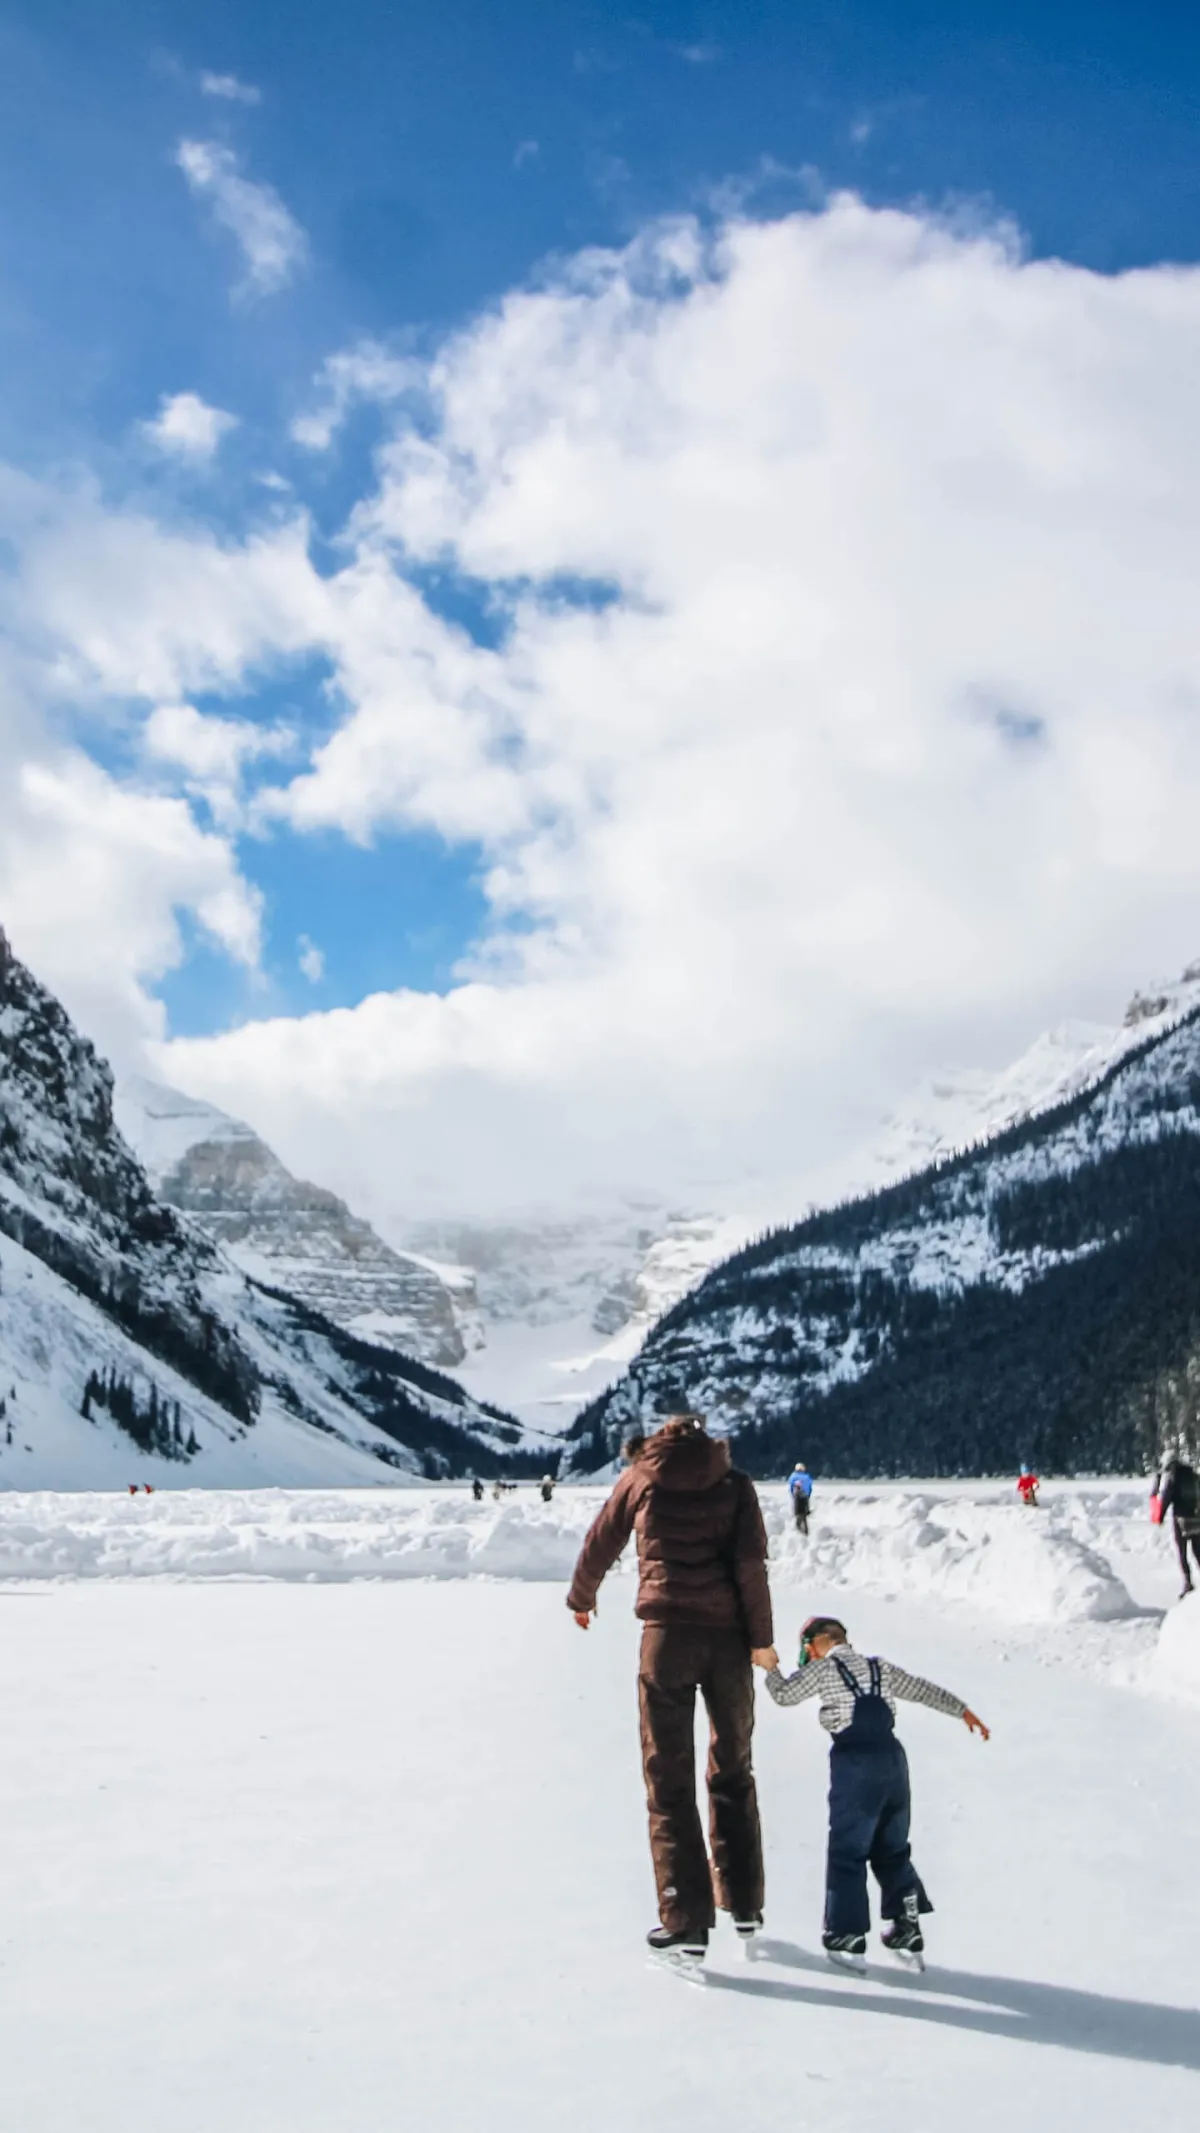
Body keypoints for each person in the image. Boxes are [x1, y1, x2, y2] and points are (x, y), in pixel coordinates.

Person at [566, 1414, 776, 1964]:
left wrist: (581, 1597)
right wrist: (762, 1639)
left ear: (657, 1441)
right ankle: (745, 1902)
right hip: (729, 1642)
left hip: (667, 1641)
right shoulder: (734, 1484)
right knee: (733, 1766)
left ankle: (684, 1919)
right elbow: (752, 1565)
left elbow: (601, 1539)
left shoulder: (640, 1477)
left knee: (669, 1778)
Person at [765, 1614, 989, 1966]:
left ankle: (847, 1933)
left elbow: (784, 1695)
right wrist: (963, 1711)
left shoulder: (822, 1670)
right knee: (892, 1846)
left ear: (814, 1645)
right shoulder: (879, 1668)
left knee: (848, 1849)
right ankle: (906, 1923)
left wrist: (770, 1668)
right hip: (894, 1763)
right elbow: (923, 1690)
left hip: (856, 1765)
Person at [1153, 1452, 1200, 1597]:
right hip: (1197, 1519)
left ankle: (1187, 1582)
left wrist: (1159, 1517)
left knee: (1182, 1551)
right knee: (1198, 1550)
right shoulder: (1194, 1475)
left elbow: (1166, 1497)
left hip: (1180, 1520)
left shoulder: (1173, 1477)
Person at [788, 1462, 813, 1533]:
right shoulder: (807, 1477)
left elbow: (791, 1488)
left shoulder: (793, 1476)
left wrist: (792, 1495)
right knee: (804, 1516)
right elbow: (810, 1488)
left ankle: (799, 1531)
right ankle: (805, 1532)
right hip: (805, 1497)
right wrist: (808, 1495)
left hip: (797, 1498)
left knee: (798, 1515)